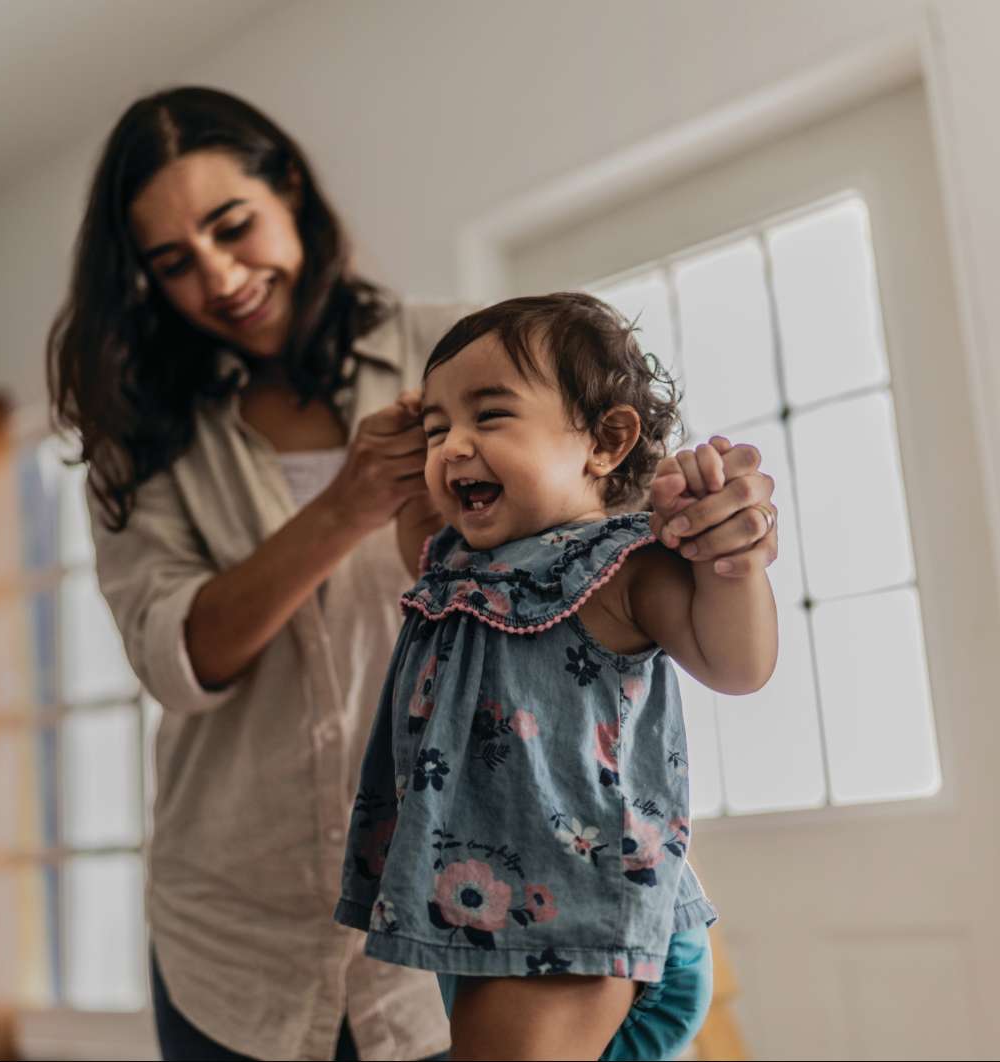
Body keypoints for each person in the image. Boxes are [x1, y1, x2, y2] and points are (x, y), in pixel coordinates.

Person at [47, 87, 781, 1061]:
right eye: (173, 263)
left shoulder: (471, 352)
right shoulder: (144, 441)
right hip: (237, 931)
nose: (219, 277)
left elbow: (623, 521)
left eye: (233, 226)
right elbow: (179, 660)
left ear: (289, 190)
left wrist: (720, 535)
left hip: (485, 926)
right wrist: (344, 507)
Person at [334, 293, 780, 1060]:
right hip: (501, 917)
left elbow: (738, 666)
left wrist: (728, 564)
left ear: (605, 441)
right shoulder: (451, 565)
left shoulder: (621, 563)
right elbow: (418, 521)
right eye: (438, 429)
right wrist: (412, 437)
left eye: (490, 416)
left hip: (579, 911)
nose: (453, 446)